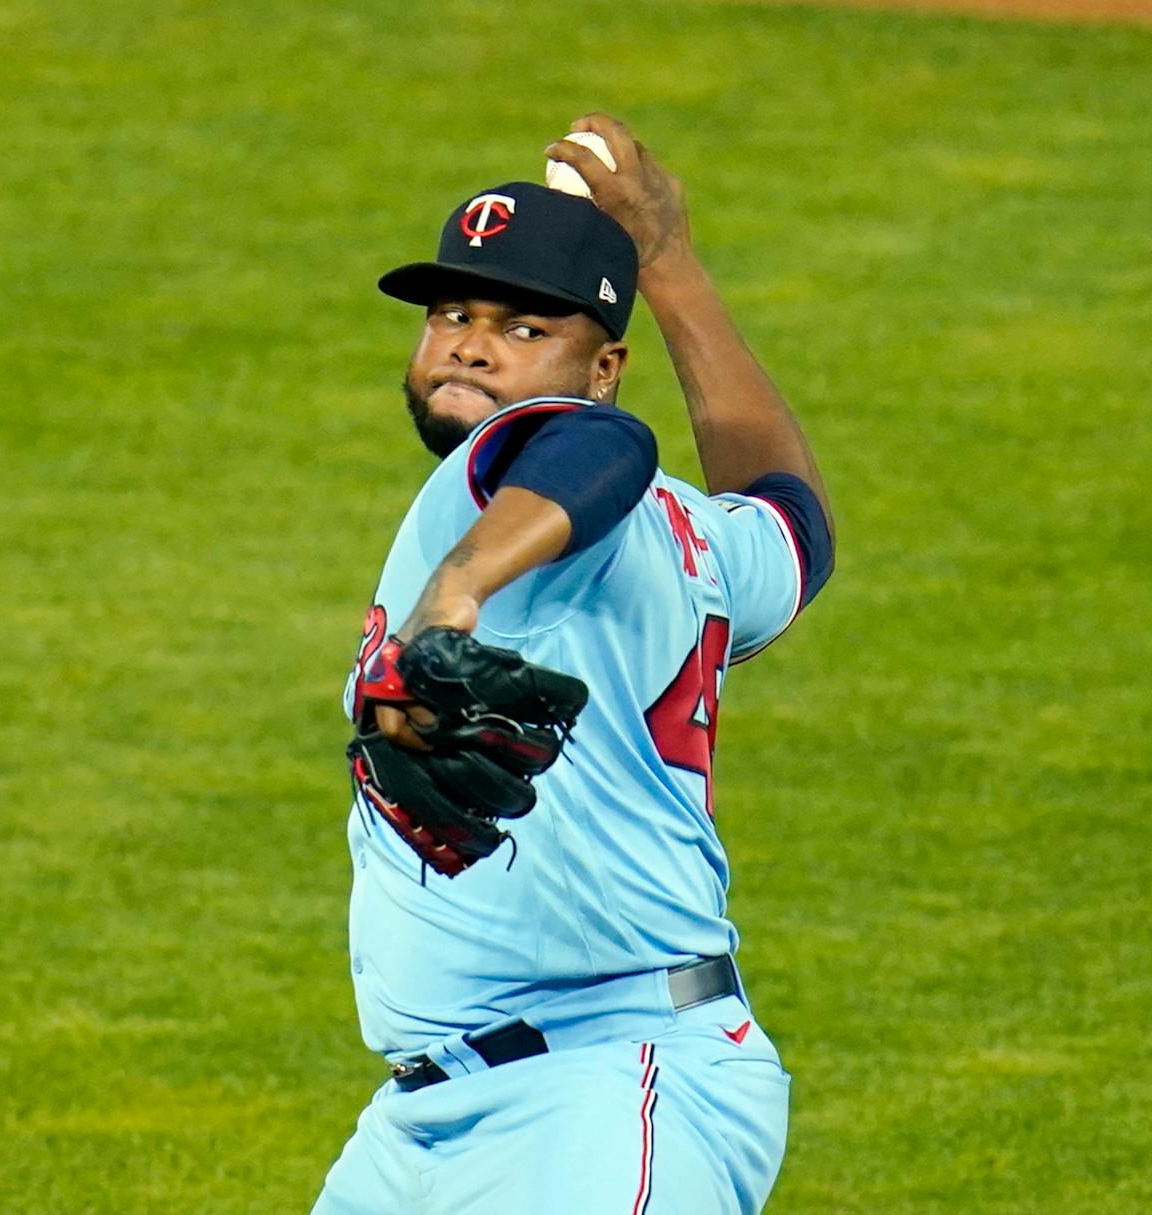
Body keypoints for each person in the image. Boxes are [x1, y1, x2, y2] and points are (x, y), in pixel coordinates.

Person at [312, 113, 835, 1215]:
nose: (468, 342)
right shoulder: (693, 535)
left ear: (601, 370)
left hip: (602, 1093)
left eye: (522, 324)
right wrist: (673, 264)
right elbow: (794, 524)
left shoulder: (518, 489)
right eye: (451, 313)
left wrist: (458, 589)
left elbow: (602, 445)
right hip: (427, 1121)